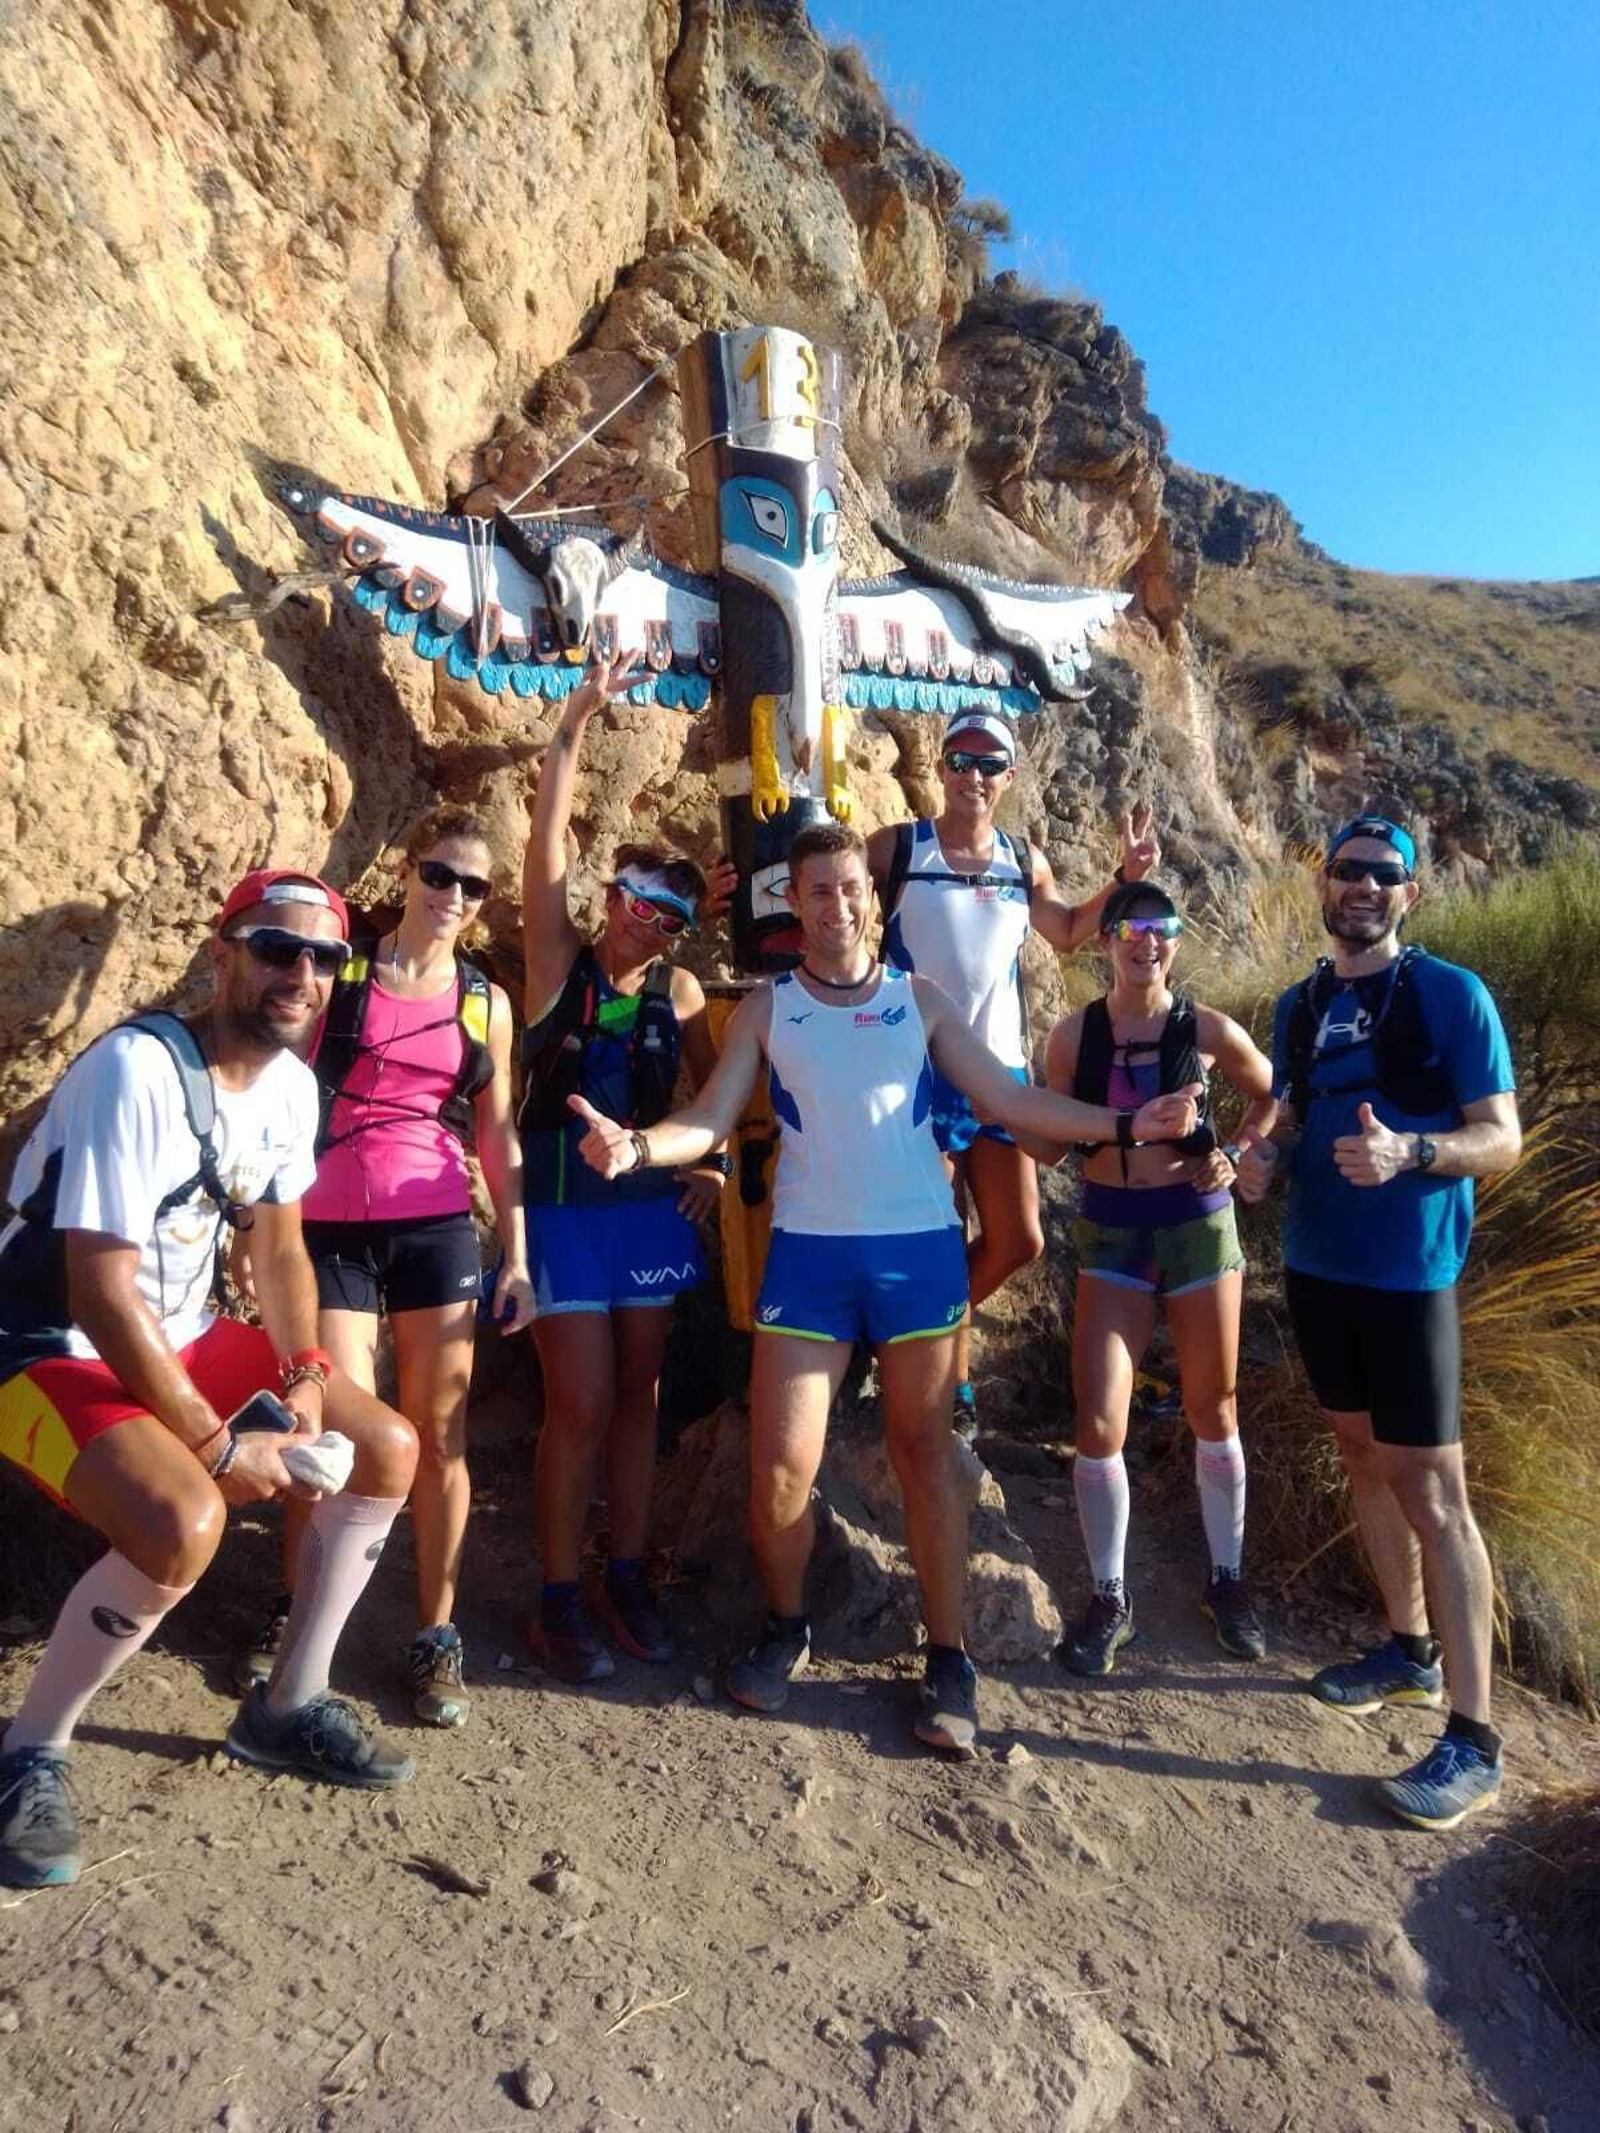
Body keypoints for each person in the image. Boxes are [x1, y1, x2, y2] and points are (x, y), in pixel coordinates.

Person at [567, 821, 1203, 1757]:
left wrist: (1127, 1123)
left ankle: (948, 1659)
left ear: (873, 895)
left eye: (850, 888)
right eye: (817, 892)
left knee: (926, 1454)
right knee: (780, 1469)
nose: (836, 906)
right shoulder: (769, 1009)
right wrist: (637, 1145)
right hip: (810, 1257)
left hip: (918, 1255)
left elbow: (1012, 1102)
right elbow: (705, 1119)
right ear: (796, 903)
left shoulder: (921, 999)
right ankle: (787, 1625)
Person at [0, 869, 421, 1890]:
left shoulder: (287, 1084)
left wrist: (307, 1371)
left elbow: (279, 1252)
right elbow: (97, 1293)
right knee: (185, 1519)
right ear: (222, 950)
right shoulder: (132, 1071)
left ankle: (285, 1708)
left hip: (176, 1333)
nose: (304, 973)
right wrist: (218, 1445)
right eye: (279, 947)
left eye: (325, 957)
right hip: (41, 1347)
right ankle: (30, 1753)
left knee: (386, 1448)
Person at [1236, 816, 1521, 1831]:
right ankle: (1407, 1651)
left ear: (1410, 893)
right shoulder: (1300, 1005)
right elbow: (1292, 1117)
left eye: (1382, 876)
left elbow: (1500, 1137)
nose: (1360, 887)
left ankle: (1473, 1738)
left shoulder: (1451, 995)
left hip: (1408, 1276)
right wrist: (1261, 1162)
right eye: (1346, 870)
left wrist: (1414, 1155)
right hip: (1317, 1266)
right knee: (1359, 1456)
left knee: (1433, 1490)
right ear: (1320, 882)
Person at [236, 811, 535, 1730]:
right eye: (440, 876)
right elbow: (271, 1087)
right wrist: (252, 1228)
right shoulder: (342, 975)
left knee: (439, 1433)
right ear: (408, 874)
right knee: (329, 1428)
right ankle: (301, 1613)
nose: (453, 897)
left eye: (473, 887)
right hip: (327, 1227)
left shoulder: (484, 1001)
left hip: (436, 1228)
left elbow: (495, 1133)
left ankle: (435, 1633)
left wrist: (516, 1253)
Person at [519, 651, 735, 1683]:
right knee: (581, 1405)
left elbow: (710, 1096)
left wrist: (717, 1167)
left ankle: (625, 1572)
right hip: (560, 1207)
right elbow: (545, 846)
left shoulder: (682, 994)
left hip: (646, 1209)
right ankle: (558, 1594)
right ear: (610, 896)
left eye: (669, 913)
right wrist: (573, 727)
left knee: (641, 1396)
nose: (646, 919)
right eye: (637, 898)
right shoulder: (554, 963)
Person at [867, 709, 1162, 1438]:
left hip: (1001, 1076)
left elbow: (1062, 929)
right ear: (939, 768)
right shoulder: (898, 848)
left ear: (1009, 776)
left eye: (988, 763)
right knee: (937, 1237)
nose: (972, 775)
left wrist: (1122, 883)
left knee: (1018, 1238)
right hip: (916, 1074)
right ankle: (952, 1393)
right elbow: (824, 892)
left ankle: (916, 1340)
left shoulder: (1020, 857)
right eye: (960, 760)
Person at [1022, 881, 1276, 1675]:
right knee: (1099, 1421)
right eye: (1130, 929)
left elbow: (1274, 1092)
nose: (1146, 942)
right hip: (1112, 1229)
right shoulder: (1071, 1038)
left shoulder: (1205, 1029)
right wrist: (1011, 1104)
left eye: (1161, 929)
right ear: (1104, 943)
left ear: (1177, 940)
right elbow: (1048, 1149)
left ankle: (1227, 1581)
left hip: (1197, 1225)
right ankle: (1110, 1597)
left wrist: (1239, 1152)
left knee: (1214, 1406)